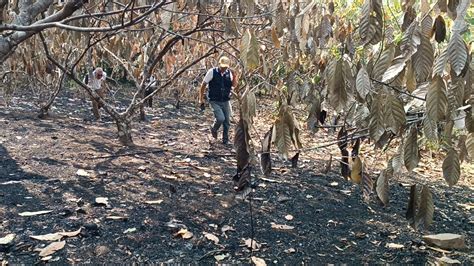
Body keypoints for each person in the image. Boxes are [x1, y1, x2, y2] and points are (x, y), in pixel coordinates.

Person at [199, 56, 238, 145]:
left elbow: (234, 85)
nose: (224, 69)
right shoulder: (212, 72)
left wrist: (235, 76)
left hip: (225, 100)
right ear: (219, 65)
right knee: (220, 118)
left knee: (227, 121)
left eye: (226, 67)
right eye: (222, 67)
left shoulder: (229, 73)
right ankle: (214, 128)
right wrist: (200, 99)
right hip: (214, 100)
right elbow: (203, 85)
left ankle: (225, 140)